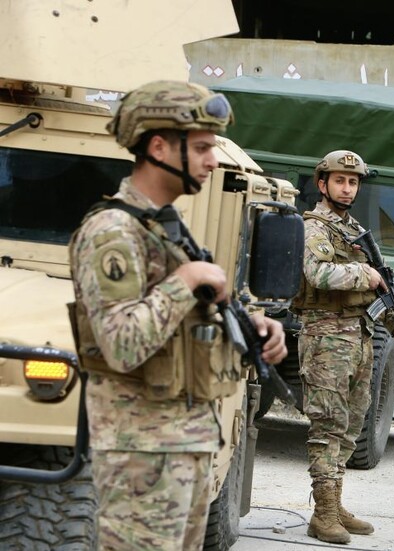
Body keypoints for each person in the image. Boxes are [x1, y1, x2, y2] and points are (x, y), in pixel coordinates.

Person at [68, 80, 287, 550]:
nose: (213, 160)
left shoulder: (166, 226)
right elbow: (120, 344)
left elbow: (182, 324)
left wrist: (250, 324)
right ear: (159, 147)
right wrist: (185, 280)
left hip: (185, 442)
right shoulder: (112, 232)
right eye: (203, 148)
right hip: (141, 453)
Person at [293, 150, 394, 544]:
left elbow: (378, 292)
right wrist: (365, 273)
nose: (347, 188)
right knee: (328, 424)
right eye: (340, 181)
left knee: (351, 425)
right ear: (322, 184)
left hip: (358, 335)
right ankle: (324, 512)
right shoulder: (315, 227)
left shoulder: (354, 229)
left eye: (353, 182)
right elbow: (316, 273)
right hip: (325, 336)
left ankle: (335, 502)